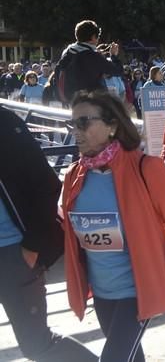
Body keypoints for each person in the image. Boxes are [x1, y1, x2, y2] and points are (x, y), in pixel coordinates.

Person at [62, 91, 165, 362]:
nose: (75, 131)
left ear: (112, 126)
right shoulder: (73, 176)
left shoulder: (147, 169)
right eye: (72, 124)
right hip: (102, 292)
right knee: (131, 357)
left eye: (84, 122)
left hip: (136, 292)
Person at [0, 107, 97, 362]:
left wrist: (32, 246)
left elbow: (46, 184)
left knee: (36, 345)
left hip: (12, 252)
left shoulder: (5, 123)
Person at [54, 21, 123, 105]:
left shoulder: (67, 52)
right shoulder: (93, 56)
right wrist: (113, 56)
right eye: (98, 37)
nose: (98, 40)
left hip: (70, 101)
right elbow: (118, 71)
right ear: (93, 37)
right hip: (90, 104)